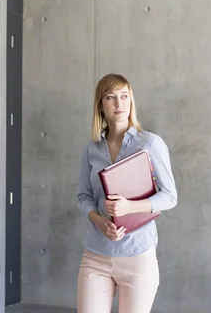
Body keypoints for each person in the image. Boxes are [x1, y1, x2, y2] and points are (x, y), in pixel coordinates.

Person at [76, 73, 178, 313]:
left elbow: (170, 196)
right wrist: (99, 221)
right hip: (96, 256)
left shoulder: (150, 143)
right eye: (110, 97)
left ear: (131, 101)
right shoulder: (91, 149)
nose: (119, 103)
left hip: (138, 255)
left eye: (124, 96)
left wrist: (129, 207)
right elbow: (83, 196)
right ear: (101, 105)